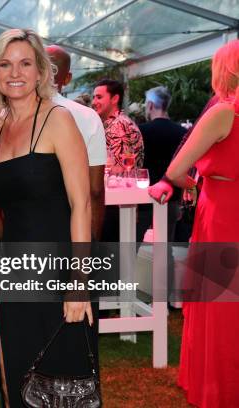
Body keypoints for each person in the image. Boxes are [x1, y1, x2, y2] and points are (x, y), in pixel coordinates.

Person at [0, 28, 96, 406]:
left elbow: (83, 204)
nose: (15, 72)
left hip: (61, 271)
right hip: (17, 275)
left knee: (64, 388)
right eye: (5, 64)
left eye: (25, 63)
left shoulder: (58, 120)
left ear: (41, 72)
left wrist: (79, 281)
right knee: (18, 379)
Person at [148, 39, 239, 408]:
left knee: (222, 302)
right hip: (224, 211)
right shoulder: (225, 113)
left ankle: (219, 386)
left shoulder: (224, 113)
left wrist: (202, 182)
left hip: (222, 207)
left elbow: (174, 170)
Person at [46, 45, 107, 240]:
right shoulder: (88, 117)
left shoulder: (12, 116)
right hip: (76, 223)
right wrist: (94, 239)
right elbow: (95, 190)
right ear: (68, 78)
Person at [137, 86, 186, 242]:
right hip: (171, 197)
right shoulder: (181, 132)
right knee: (165, 248)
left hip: (143, 198)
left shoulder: (141, 131)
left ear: (150, 105)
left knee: (132, 246)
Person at [92, 78, 144, 168]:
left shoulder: (119, 125)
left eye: (99, 97)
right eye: (94, 97)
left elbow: (117, 171)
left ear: (115, 99)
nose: (93, 102)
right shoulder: (117, 122)